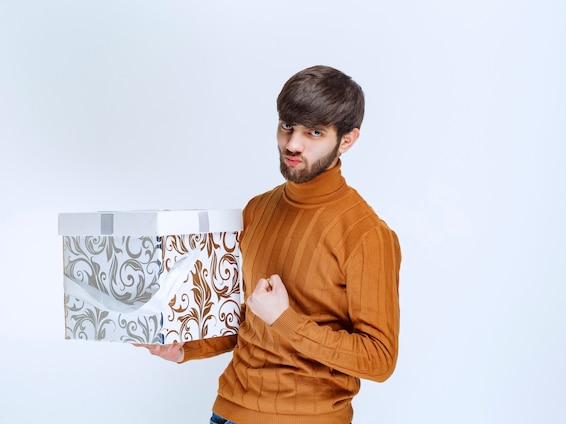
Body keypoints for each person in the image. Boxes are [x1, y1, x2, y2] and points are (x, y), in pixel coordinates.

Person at [138, 65, 401, 424]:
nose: (293, 143)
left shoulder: (365, 234)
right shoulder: (257, 209)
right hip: (228, 411)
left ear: (347, 140)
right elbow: (244, 315)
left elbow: (379, 359)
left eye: (315, 132)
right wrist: (186, 348)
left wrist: (286, 320)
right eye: (287, 126)